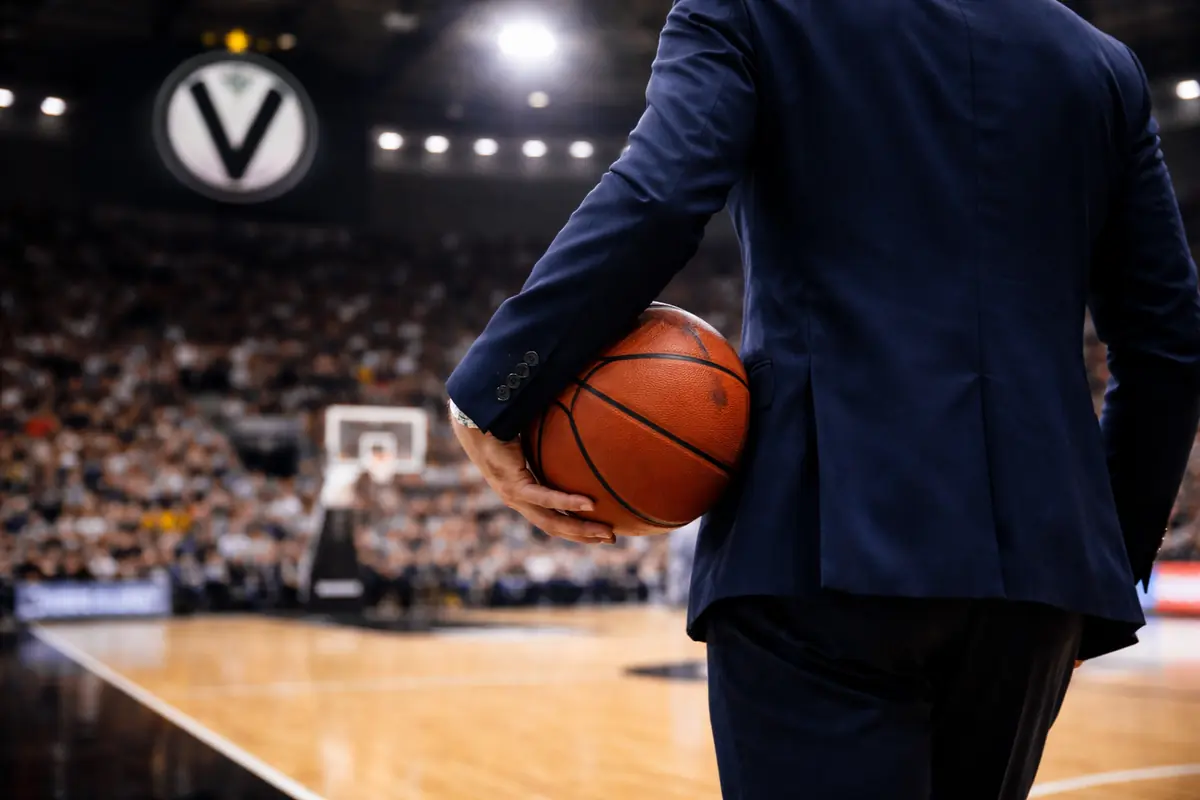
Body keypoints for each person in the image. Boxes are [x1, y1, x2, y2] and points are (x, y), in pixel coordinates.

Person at [445, 1, 1200, 797]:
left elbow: (659, 200)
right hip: (1038, 571)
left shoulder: (750, 9)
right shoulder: (1098, 63)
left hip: (818, 536)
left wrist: (493, 386)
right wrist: (1104, 575)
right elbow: (1170, 346)